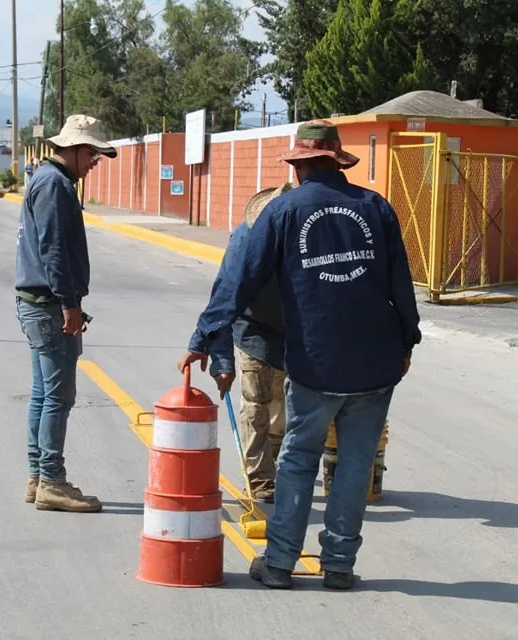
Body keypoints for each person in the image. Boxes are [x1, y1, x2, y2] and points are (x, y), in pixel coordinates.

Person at [178, 120, 421, 590]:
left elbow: (239, 279)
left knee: (297, 459)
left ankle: (280, 563)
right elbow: (401, 289)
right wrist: (407, 343)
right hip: (376, 362)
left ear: (299, 164)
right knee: (353, 462)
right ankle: (339, 566)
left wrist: (204, 336)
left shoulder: (284, 210)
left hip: (316, 362)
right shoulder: (376, 208)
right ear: (337, 161)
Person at [14, 115, 117, 513]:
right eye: (91, 153)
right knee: (58, 397)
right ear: (72, 150)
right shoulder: (55, 185)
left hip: (36, 303)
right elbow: (54, 250)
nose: (94, 161)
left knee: (43, 394)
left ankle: (38, 477)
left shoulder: (47, 180)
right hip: (49, 306)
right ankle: (52, 482)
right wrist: (70, 304)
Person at [209, 184, 291, 503]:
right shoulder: (244, 241)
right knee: (256, 402)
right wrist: (222, 361)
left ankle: (270, 464)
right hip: (252, 326)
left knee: (280, 406)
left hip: (290, 332)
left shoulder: (303, 243)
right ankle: (259, 477)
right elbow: (222, 298)